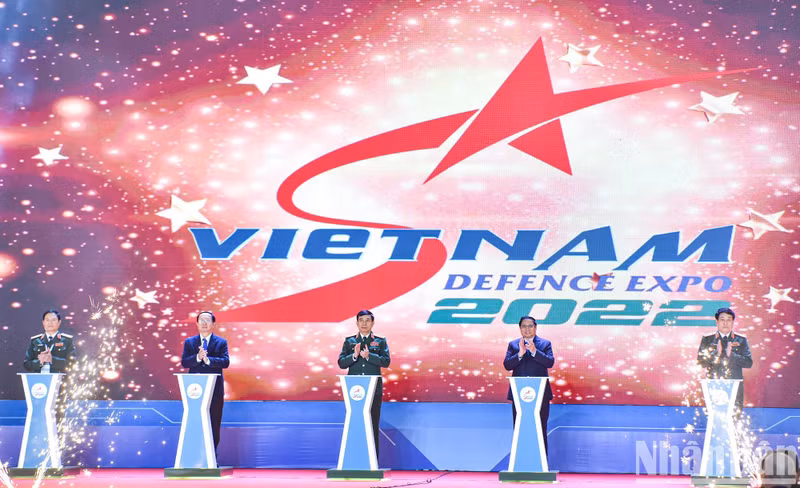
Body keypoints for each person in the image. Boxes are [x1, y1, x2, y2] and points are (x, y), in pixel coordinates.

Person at [337, 310, 391, 460]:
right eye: (361, 320)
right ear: (357, 323)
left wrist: (369, 356)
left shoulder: (380, 341)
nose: (364, 323)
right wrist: (354, 356)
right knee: (355, 423)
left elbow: (386, 362)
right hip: (354, 392)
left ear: (373, 323)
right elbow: (341, 363)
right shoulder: (349, 341)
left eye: (368, 320)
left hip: (374, 390)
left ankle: (372, 461)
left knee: (372, 424)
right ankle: (353, 459)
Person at [503, 316, 554, 456]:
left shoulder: (545, 344)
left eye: (530, 326)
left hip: (540, 395)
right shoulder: (513, 345)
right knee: (520, 428)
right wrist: (520, 354)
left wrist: (534, 352)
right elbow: (507, 365)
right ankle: (521, 463)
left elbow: (550, 363)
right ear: (520, 329)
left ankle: (542, 466)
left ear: (535, 327)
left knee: (540, 428)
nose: (527, 329)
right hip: (520, 396)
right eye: (524, 326)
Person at [181, 311, 229, 452]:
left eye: (207, 320)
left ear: (213, 324)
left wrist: (208, 360)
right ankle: (195, 455)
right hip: (194, 391)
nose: (204, 323)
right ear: (196, 324)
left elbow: (225, 362)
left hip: (214, 391)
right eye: (201, 320)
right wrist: (197, 357)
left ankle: (212, 457)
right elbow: (184, 362)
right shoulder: (190, 342)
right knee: (195, 422)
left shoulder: (221, 342)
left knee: (213, 422)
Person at [696, 307, 753, 410]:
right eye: (722, 319)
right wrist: (715, 354)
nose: (725, 323)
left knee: (735, 416)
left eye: (729, 320)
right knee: (715, 415)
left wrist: (732, 355)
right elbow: (700, 362)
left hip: (734, 384)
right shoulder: (708, 339)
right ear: (717, 322)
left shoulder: (741, 339)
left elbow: (748, 363)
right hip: (714, 383)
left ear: (733, 322)